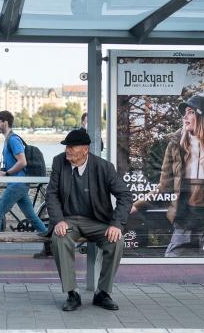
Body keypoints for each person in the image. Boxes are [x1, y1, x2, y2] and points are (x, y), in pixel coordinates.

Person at [132, 95, 204, 257]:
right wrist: (138, 205)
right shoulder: (175, 146)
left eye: (190, 112)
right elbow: (164, 187)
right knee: (171, 265)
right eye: (184, 113)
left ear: (202, 117)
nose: (184, 117)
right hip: (184, 222)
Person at [46, 129, 133, 312]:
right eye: (66, 147)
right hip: (69, 220)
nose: (67, 150)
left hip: (97, 221)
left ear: (85, 149)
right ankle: (72, 293)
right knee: (59, 238)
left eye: (71, 147)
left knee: (116, 241)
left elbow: (125, 196)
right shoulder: (58, 162)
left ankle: (103, 293)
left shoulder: (104, 167)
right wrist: (58, 220)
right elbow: (51, 195)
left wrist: (116, 224)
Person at [0, 110, 47, 260]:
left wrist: (8, 174)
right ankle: (52, 245)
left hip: (17, 184)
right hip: (18, 183)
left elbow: (22, 162)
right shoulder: (9, 140)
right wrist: (4, 171)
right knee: (32, 218)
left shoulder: (13, 140)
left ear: (5, 122)